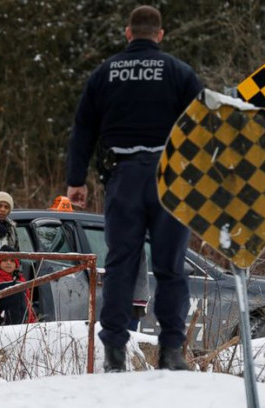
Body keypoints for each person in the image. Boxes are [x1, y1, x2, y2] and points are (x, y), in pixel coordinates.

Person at [65, 6, 203, 372]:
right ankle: (172, 352)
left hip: (122, 178)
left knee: (121, 264)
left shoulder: (104, 74)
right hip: (170, 179)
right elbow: (203, 125)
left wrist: (75, 181)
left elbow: (83, 129)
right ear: (159, 35)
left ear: (128, 34)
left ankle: (114, 353)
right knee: (171, 267)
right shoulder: (178, 72)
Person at [0, 246, 37, 327]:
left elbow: (27, 305)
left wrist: (32, 323)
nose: (8, 263)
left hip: (22, 327)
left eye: (12, 261)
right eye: (5, 260)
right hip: (0, 327)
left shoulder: (21, 281)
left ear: (16, 264)